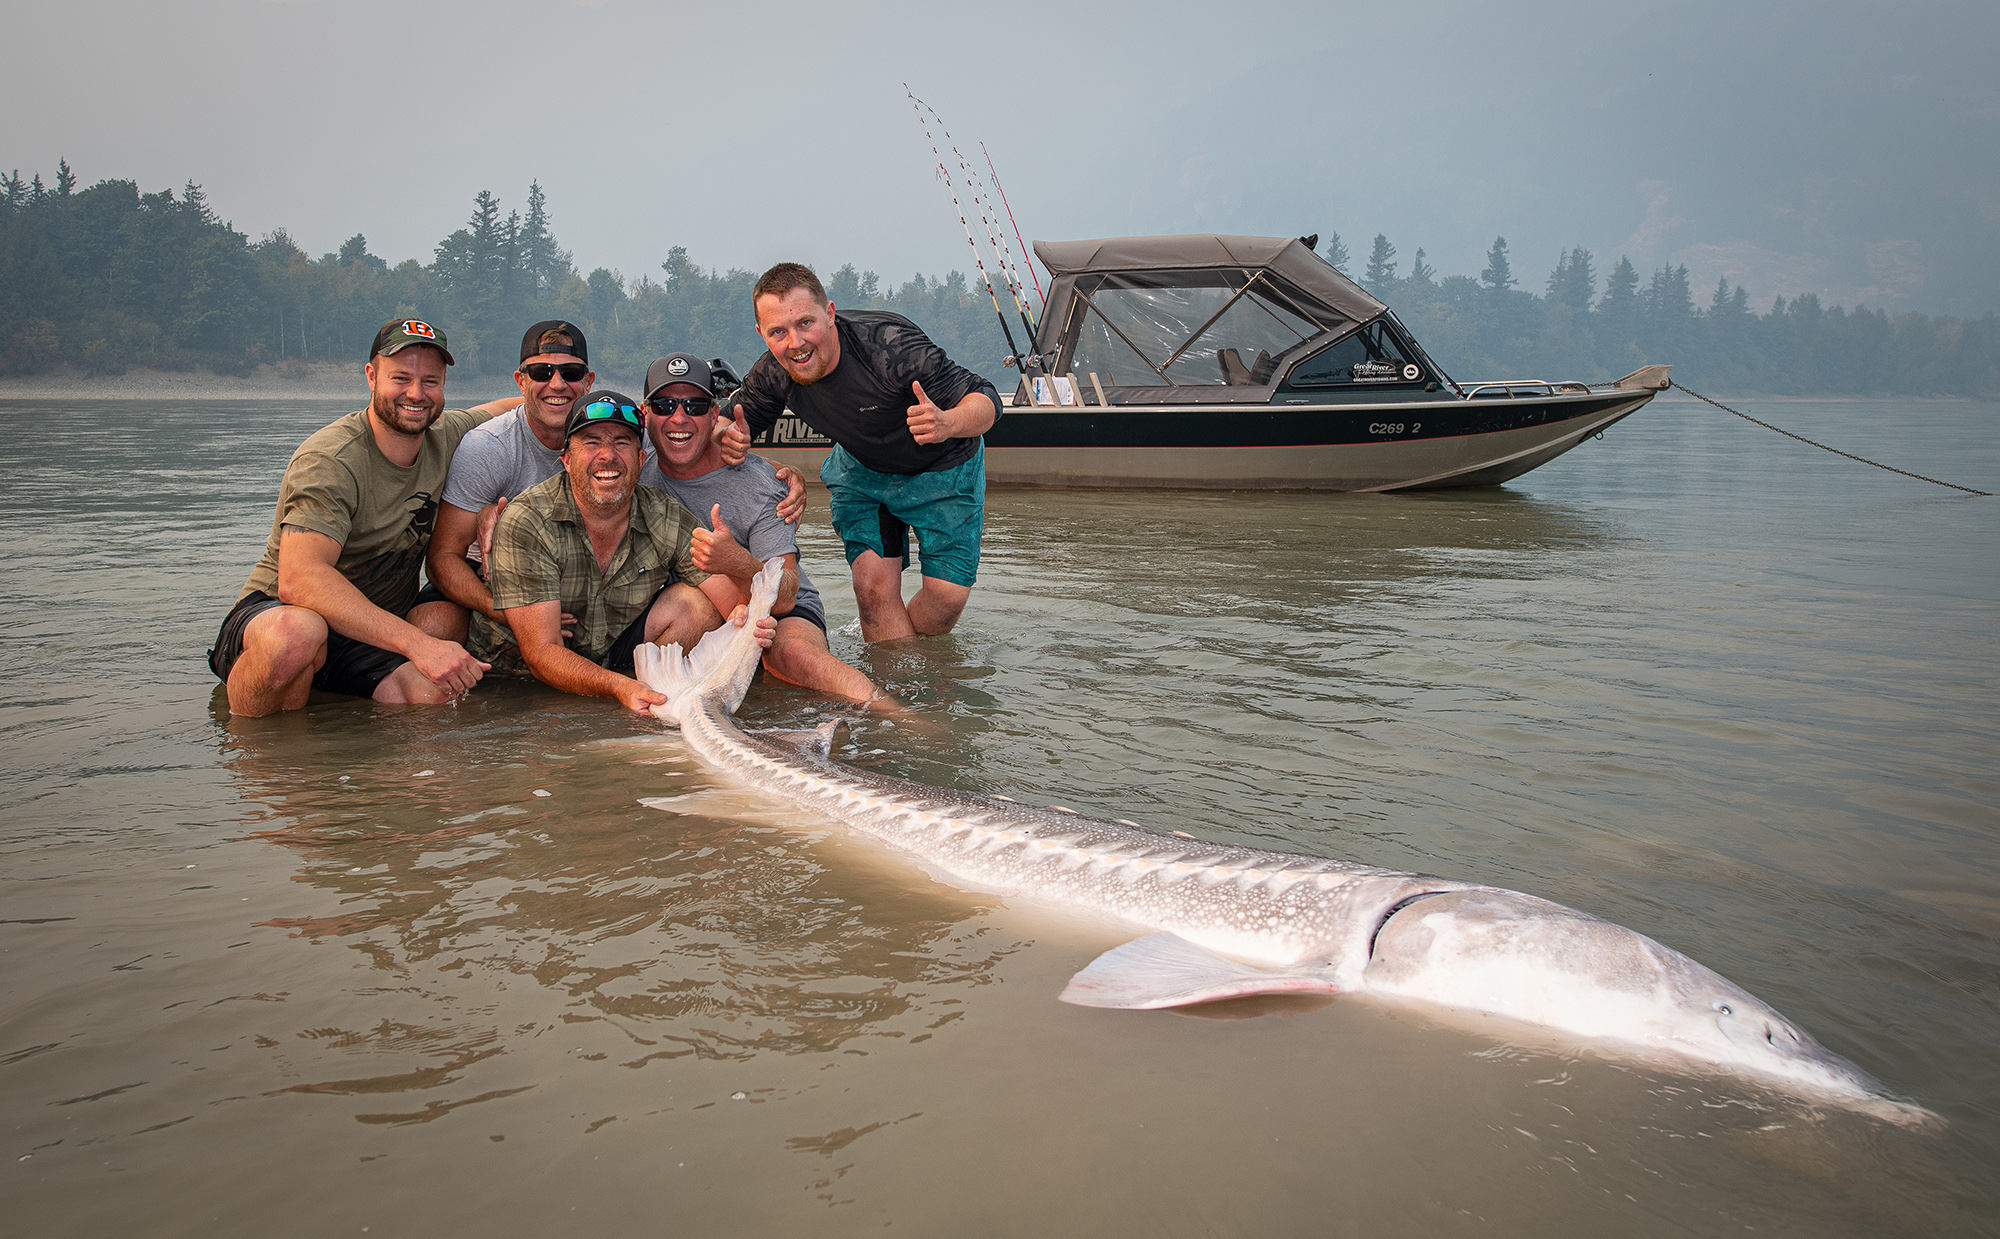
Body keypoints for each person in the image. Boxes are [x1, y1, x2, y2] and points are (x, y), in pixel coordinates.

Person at [430, 320, 804, 667]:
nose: (557, 384)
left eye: (571, 373)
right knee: (434, 625)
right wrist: (507, 608)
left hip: (603, 609)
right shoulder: (489, 450)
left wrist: (777, 473)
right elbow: (443, 557)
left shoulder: (649, 457)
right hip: (504, 590)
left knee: (698, 605)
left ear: (639, 455)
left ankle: (632, 700)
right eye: (542, 372)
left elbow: (691, 439)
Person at [208, 318, 516, 716]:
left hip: (365, 633)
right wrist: (417, 645)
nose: (415, 394)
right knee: (297, 636)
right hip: (276, 616)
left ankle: (370, 770)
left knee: (434, 696)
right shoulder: (330, 459)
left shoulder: (448, 434)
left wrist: (590, 408)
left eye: (430, 381)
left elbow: (517, 408)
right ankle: (255, 762)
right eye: (401, 378)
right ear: (371, 376)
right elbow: (299, 580)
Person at [716, 263, 999, 642]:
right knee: (871, 592)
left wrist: (947, 422)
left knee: (945, 603)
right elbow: (722, 423)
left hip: (944, 467)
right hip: (864, 472)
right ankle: (893, 692)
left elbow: (987, 400)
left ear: (830, 313)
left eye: (805, 323)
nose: (795, 343)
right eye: (778, 332)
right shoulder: (774, 372)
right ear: (761, 333)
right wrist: (724, 434)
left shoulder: (890, 346)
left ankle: (911, 672)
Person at [484, 390, 772, 713]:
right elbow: (541, 653)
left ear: (639, 459)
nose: (607, 455)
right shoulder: (529, 519)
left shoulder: (664, 515)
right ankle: (631, 696)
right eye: (591, 442)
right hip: (510, 673)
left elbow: (731, 602)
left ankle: (645, 701)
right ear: (566, 459)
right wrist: (616, 686)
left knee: (698, 606)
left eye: (622, 442)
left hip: (613, 653)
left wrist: (746, 615)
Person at [639, 352, 882, 705]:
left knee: (795, 656)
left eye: (693, 406)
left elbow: (784, 594)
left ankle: (895, 716)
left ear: (713, 414)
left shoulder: (759, 484)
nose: (679, 418)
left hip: (776, 609)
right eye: (664, 406)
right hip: (699, 606)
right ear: (645, 415)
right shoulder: (628, 463)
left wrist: (735, 561)